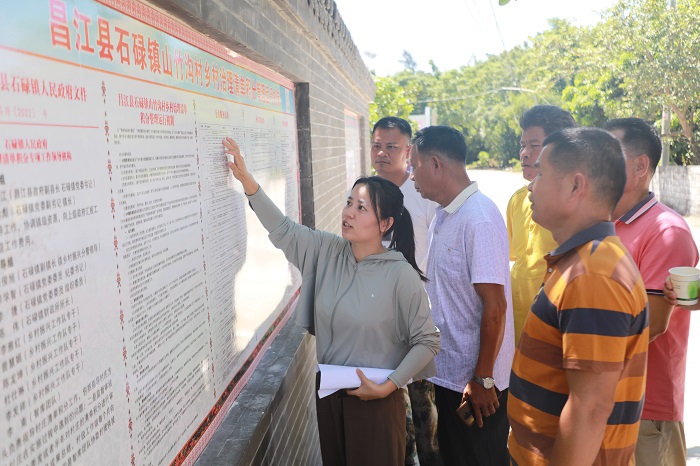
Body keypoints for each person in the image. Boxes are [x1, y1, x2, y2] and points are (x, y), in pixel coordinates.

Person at [223, 137, 440, 466]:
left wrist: (389, 387)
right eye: (348, 202)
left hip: (378, 403)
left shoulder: (401, 275)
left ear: (385, 224)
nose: (348, 213)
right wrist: (248, 181)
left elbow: (428, 340)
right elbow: (283, 229)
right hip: (329, 395)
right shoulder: (325, 250)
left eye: (361, 208)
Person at [508, 127, 649, 465]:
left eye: (541, 173)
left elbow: (590, 408)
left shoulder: (593, 274)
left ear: (575, 185)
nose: (531, 184)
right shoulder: (582, 260)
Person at [409, 125, 515, 466]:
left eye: (415, 165)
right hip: (452, 378)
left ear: (436, 164)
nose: (411, 176)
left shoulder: (478, 218)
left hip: (477, 388)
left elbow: (495, 307)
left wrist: (483, 378)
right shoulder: (444, 214)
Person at [603, 117, 699, 466]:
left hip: (645, 406)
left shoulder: (665, 231)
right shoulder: (605, 224)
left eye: (609, 154)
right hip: (602, 398)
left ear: (640, 166)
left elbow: (652, 325)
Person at [371, 116, 440, 466]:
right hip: (377, 326)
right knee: (394, 426)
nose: (381, 153)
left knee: (426, 417)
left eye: (391, 147)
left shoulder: (424, 194)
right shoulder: (363, 193)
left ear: (408, 151)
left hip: (416, 321)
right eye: (376, 145)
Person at [507, 105, 577, 342]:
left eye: (534, 145)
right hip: (514, 334)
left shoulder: (578, 204)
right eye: (522, 145)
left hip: (557, 336)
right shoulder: (517, 200)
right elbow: (518, 264)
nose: (524, 153)